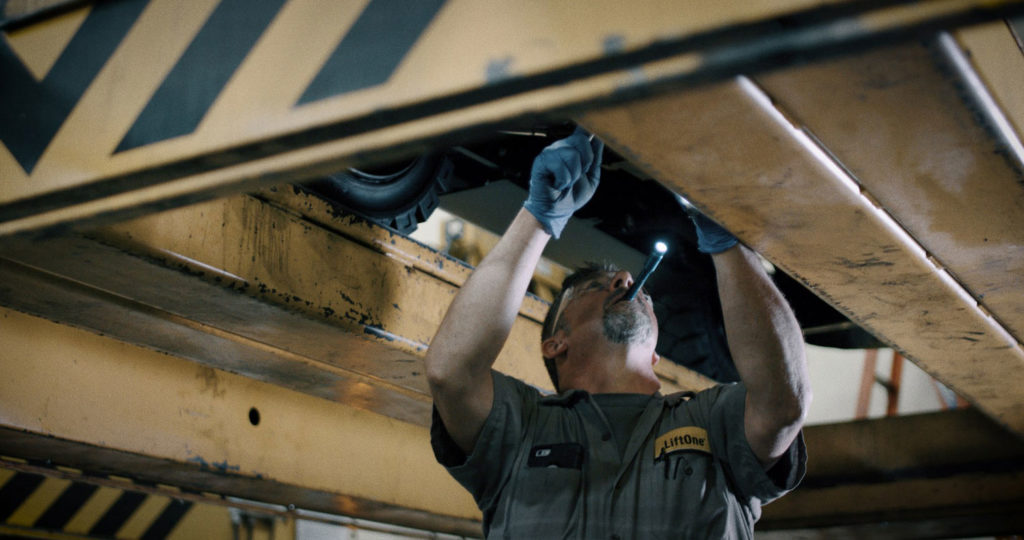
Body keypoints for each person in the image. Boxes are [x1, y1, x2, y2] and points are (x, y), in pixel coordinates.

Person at [424, 127, 811, 539]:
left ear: (656, 354)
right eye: (593, 287)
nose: (627, 279)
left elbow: (783, 404)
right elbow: (450, 372)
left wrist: (726, 241)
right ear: (556, 343)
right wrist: (538, 216)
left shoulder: (712, 421)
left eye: (632, 287)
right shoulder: (522, 427)